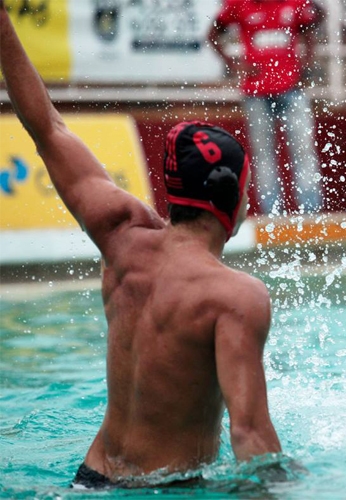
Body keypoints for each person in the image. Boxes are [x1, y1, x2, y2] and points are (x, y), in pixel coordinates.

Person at [1, 7, 281, 488]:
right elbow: (251, 437)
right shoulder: (235, 297)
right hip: (166, 488)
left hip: (90, 479)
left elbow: (47, 127)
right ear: (232, 200)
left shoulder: (122, 238)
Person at [208, 0, 322, 215]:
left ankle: (311, 212)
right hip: (256, 93)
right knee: (264, 156)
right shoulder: (240, 4)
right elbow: (213, 34)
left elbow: (310, 29)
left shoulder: (295, 3)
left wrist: (304, 66)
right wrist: (234, 64)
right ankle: (272, 214)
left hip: (291, 90)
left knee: (303, 151)